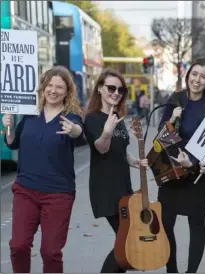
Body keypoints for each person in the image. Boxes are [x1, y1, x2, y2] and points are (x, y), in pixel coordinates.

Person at [2, 66, 83, 273]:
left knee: (50, 252)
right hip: (26, 190)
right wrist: (8, 127)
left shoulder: (70, 117)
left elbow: (77, 132)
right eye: (50, 85)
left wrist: (73, 130)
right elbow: (13, 143)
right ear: (43, 87)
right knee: (18, 245)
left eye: (60, 87)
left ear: (67, 92)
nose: (53, 90)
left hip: (58, 193)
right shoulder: (30, 114)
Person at [83, 68, 148, 273]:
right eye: (111, 87)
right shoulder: (93, 119)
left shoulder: (118, 117)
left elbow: (121, 150)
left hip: (123, 188)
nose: (116, 92)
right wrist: (106, 132)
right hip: (106, 189)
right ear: (100, 89)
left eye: (121, 89)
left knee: (127, 244)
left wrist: (134, 161)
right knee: (127, 241)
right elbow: (101, 148)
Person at [157, 57, 205, 273]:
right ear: (188, 74)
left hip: (197, 173)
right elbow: (162, 135)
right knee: (165, 223)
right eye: (195, 74)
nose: (197, 80)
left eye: (203, 76)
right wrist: (172, 118)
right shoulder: (176, 98)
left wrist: (195, 162)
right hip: (171, 170)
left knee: (196, 224)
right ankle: (172, 270)